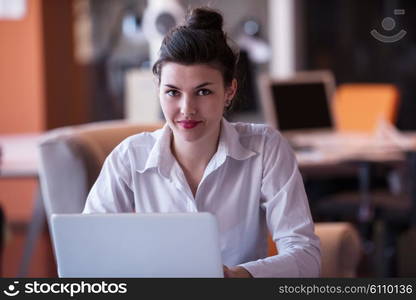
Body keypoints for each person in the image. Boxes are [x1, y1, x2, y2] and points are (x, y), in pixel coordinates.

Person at [83, 7, 320, 278]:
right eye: (172, 92)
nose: (187, 109)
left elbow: (305, 256)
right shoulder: (129, 157)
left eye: (203, 91)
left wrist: (236, 278)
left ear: (229, 90)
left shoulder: (265, 148)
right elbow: (90, 252)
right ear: (158, 88)